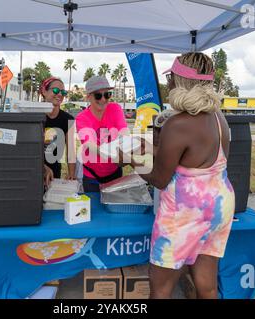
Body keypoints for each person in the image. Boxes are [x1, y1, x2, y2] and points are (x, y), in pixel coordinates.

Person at [131, 52, 235, 299]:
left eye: (171, 78)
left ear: (180, 81)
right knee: (206, 283)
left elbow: (159, 179)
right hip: (218, 206)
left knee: (161, 287)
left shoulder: (177, 124)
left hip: (184, 213)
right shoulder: (219, 118)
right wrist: (156, 149)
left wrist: (134, 162)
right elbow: (198, 158)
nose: (168, 84)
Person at [75, 76, 128, 192]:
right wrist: (113, 153)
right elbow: (90, 144)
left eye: (107, 94)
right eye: (98, 95)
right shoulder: (82, 118)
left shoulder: (115, 108)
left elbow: (124, 132)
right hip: (92, 176)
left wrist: (125, 148)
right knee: (93, 208)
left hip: (115, 172)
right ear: (88, 96)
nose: (103, 99)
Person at [40, 77, 76, 185]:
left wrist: (71, 174)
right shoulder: (33, 116)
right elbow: (27, 150)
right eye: (55, 90)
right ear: (44, 91)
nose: (60, 94)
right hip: (34, 168)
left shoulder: (68, 119)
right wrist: (43, 167)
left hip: (55, 173)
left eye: (63, 92)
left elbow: (71, 152)